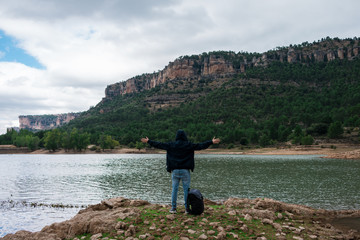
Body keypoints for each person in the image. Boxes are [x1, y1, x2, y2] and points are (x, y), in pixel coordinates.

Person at [141, 129, 220, 213]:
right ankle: (186, 209)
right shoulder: (189, 145)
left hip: (175, 171)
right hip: (185, 171)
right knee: (186, 190)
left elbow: (159, 145)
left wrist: (149, 141)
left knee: (174, 189)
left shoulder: (171, 145)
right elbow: (200, 146)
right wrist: (211, 142)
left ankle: (173, 208)